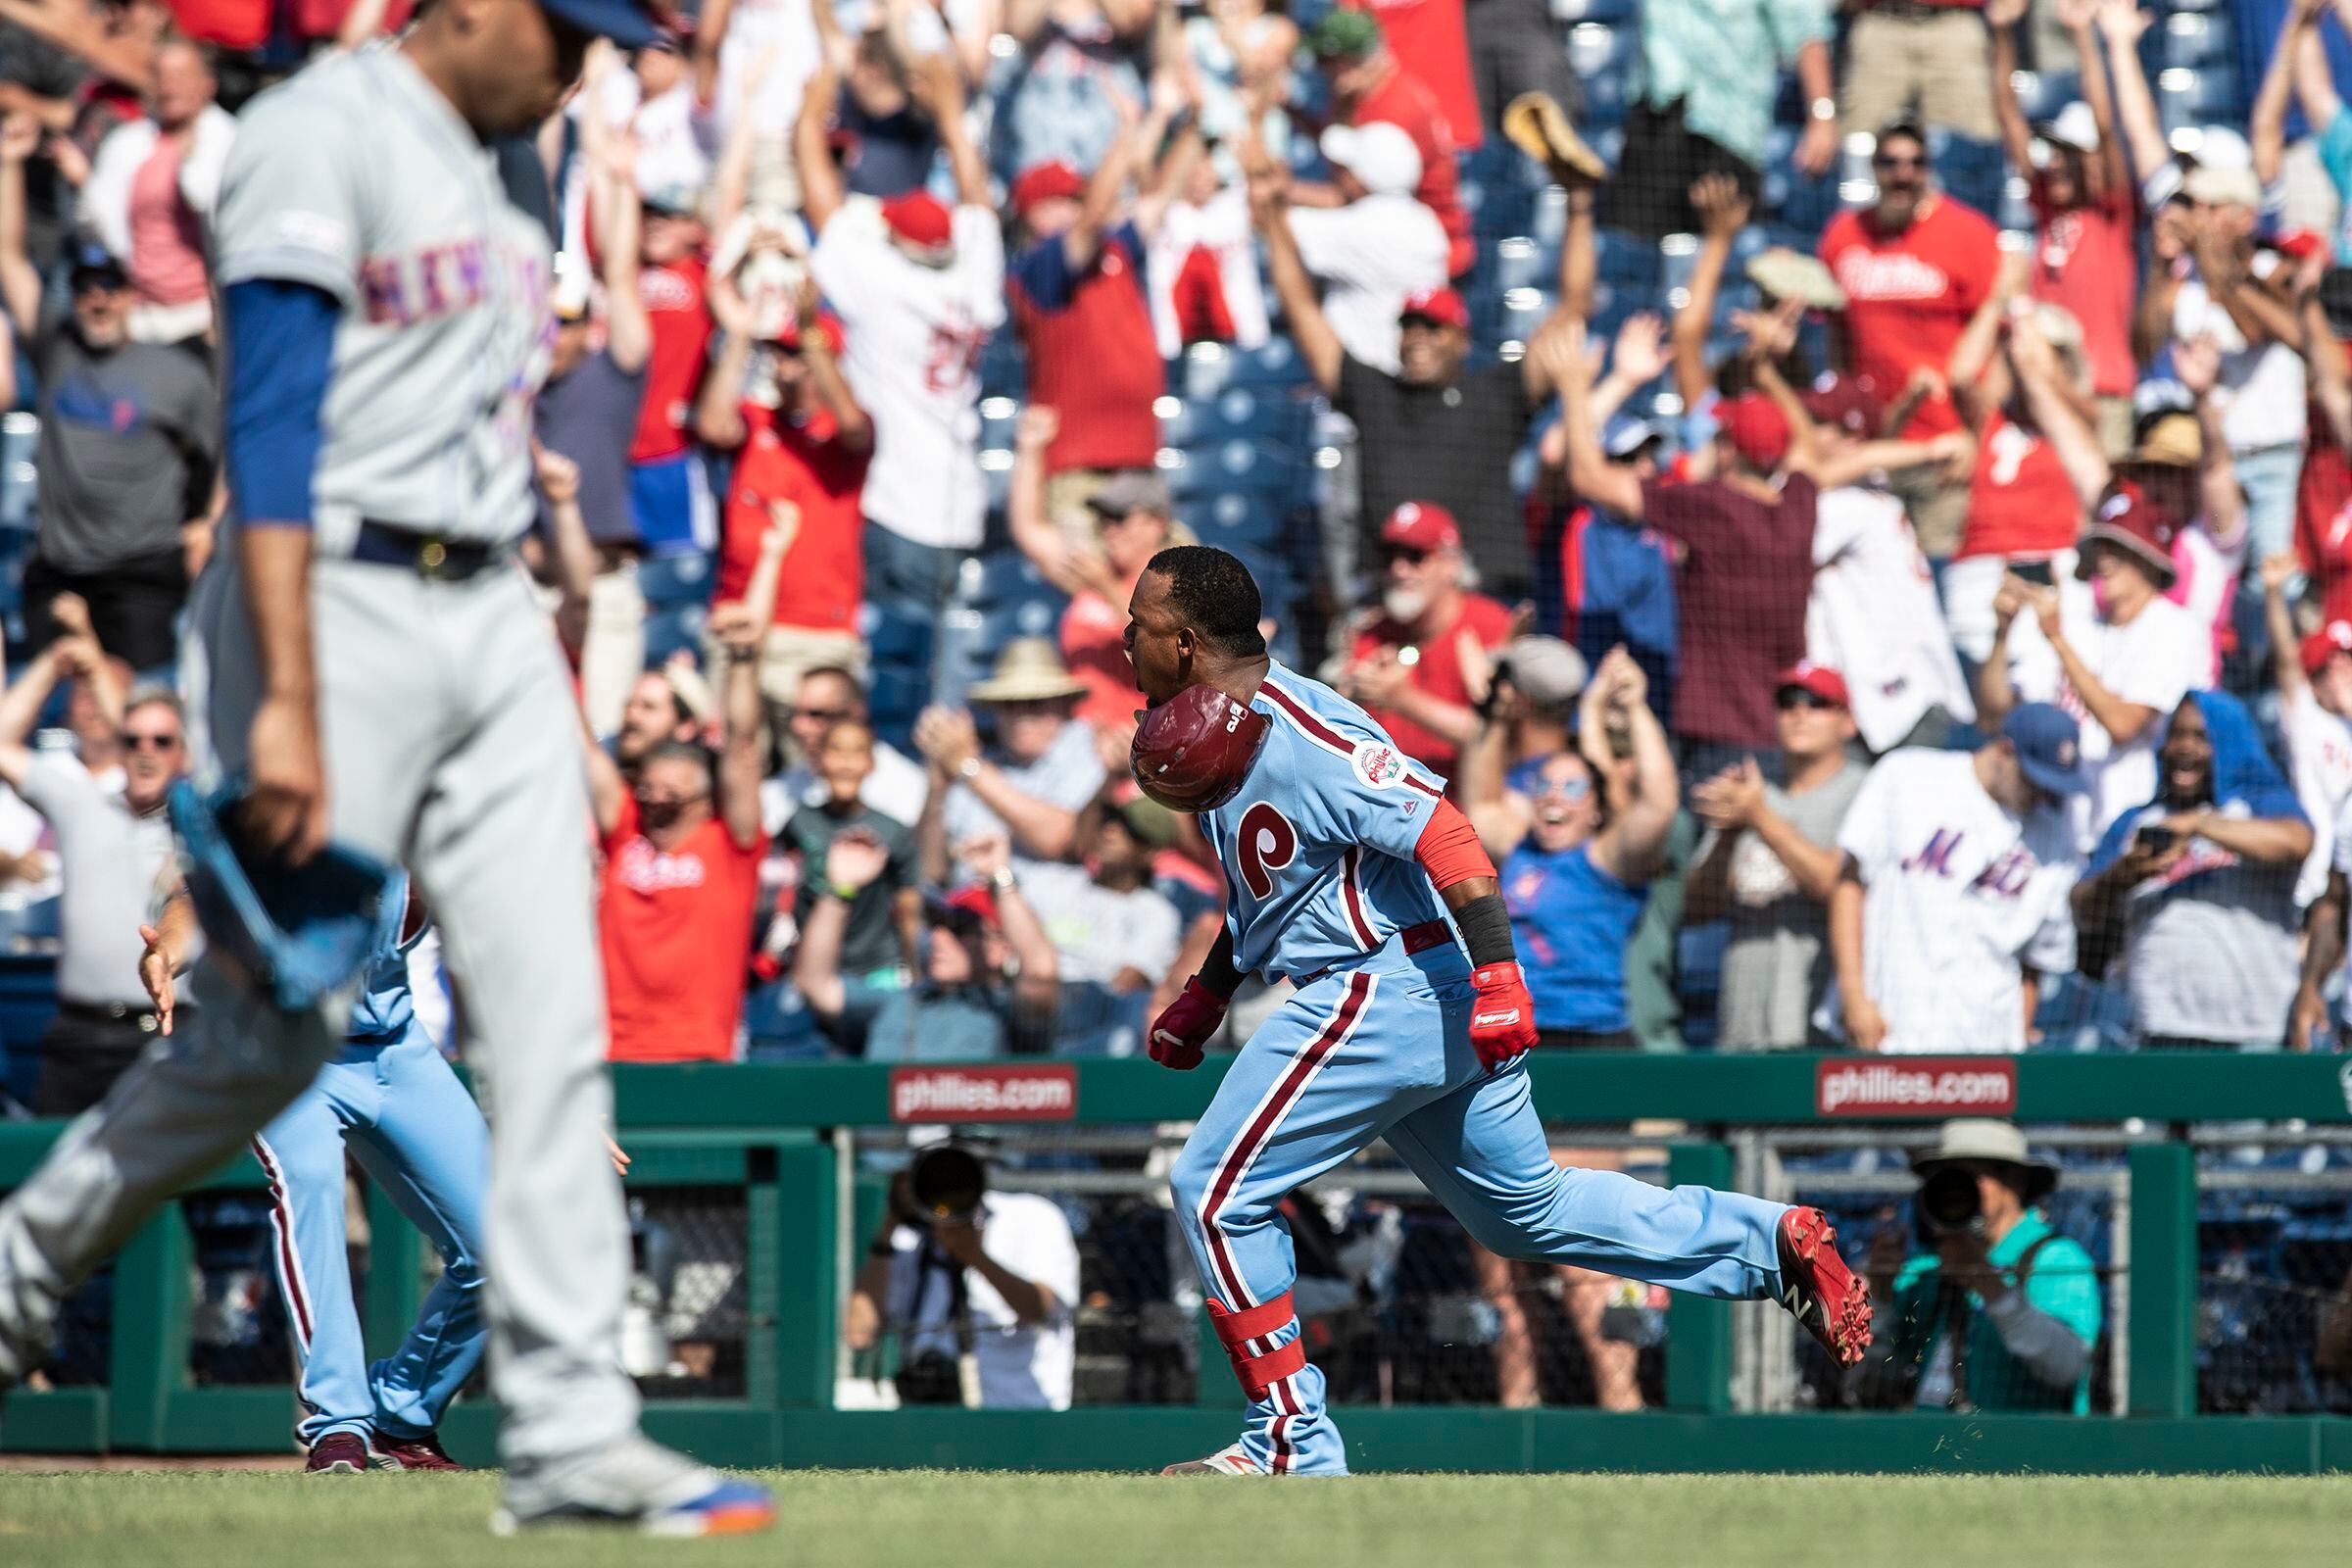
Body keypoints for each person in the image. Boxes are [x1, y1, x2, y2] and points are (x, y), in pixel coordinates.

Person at [0, 1, 776, 1533]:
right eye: (564, 35)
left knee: (551, 1020)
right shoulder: (314, 128)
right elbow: (275, 430)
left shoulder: (517, 160)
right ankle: (23, 1268)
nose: (578, 69)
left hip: (483, 598)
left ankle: (565, 1435)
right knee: (258, 1049)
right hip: (330, 600)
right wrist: (281, 699)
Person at [1127, 544, 1870, 1476]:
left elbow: (1444, 829)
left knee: (1215, 1190)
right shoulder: (1215, 731)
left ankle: (1288, 1443)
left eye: (1140, 627)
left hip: (1382, 980)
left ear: (1186, 641)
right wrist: (1208, 991)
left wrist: (1500, 974)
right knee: (1526, 1215)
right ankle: (1769, 1242)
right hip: (1399, 988)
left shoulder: (1302, 727)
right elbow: (1278, 891)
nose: (1127, 644)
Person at [139, 872, 491, 1475]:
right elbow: (195, 895)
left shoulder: (438, 814)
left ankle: (402, 1418)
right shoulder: (296, 798)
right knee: (312, 1195)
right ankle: (338, 1426)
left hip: (394, 1046)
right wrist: (166, 951)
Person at [797, 54, 1000, 711]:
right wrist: (950, 111)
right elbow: (976, 200)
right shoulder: (975, 275)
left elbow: (822, 202)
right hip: (960, 506)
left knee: (894, 685)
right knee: (944, 674)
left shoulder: (885, 286)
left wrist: (807, 117)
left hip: (898, 509)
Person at [1, 124, 218, 672]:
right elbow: (9, 259)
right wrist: (9, 163)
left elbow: (227, 452)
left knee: (142, 711)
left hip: (142, 576)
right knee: (43, 708)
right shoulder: (58, 349)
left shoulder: (176, 373)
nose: (97, 301)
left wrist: (206, 524)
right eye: (85, 289)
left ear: (130, 295)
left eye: (109, 289)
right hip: (62, 568)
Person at [1829, 705, 2086, 1054]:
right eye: (2033, 780)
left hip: (1983, 1048)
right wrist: (1854, 997)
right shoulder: (1908, 775)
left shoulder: (2054, 839)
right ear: (2003, 751)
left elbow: (2038, 960)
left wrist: (2018, 1033)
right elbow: (1849, 885)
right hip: (1887, 1029)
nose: (2041, 795)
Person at [1458, 648, 1679, 1048]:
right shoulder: (1520, 849)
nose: (1554, 797)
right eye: (1544, 785)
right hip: (1518, 1029)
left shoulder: (1608, 861)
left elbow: (1659, 804)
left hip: (1592, 1036)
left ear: (1596, 809)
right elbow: (1483, 804)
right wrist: (1496, 712)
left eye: (1572, 788)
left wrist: (1635, 706)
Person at [1977, 482, 2213, 851]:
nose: (2104, 559)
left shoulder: (2173, 628)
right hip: (2056, 830)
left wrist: (2057, 641)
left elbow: (2123, 724)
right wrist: (2002, 634)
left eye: (2118, 547)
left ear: (2149, 558)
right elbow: (1993, 715)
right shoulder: (2080, 626)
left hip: (2129, 828)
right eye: (2102, 546)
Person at [2072, 692, 2312, 1052]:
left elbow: (2296, 841)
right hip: (2159, 1027)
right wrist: (2122, 875)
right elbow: (2081, 909)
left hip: (2254, 1031)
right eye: (2176, 734)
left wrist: (2199, 825)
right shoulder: (2137, 822)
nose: (2184, 747)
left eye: (2201, 737)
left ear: (2229, 742)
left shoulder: (2258, 805)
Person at [0, 649, 177, 1114]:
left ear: (184, 751)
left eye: (161, 741)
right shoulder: (82, 804)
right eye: (132, 738)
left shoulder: (202, 827)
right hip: (80, 1042)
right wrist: (51, 664)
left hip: (173, 1039)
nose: (145, 750)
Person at [590, 603, 768, 1064]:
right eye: (649, 786)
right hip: (612, 1054)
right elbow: (581, 744)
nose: (656, 796)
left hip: (701, 1055)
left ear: (704, 795)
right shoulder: (625, 828)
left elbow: (741, 745)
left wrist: (744, 661)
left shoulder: (730, 844)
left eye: (673, 787)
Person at [1816, 118, 2002, 559]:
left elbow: (1998, 350)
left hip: (1942, 450)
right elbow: (1837, 345)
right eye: (1891, 162)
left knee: (1938, 577)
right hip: (1873, 449)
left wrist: (1978, 436)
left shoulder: (1968, 235)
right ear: (1873, 168)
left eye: (1916, 163)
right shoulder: (1843, 237)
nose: (1904, 173)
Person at [694, 262, 874, 712]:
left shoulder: (843, 432)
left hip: (816, 633)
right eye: (780, 352)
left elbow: (853, 424)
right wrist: (738, 335)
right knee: (738, 757)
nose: (785, 365)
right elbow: (714, 425)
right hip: (741, 619)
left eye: (795, 355)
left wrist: (812, 336)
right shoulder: (757, 422)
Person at [533, 116, 652, 738]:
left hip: (603, 592)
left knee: (601, 734)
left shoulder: (614, 373)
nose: (556, 333)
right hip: (531, 589)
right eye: (546, 319)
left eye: (569, 320)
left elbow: (623, 277)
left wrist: (620, 184)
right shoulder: (514, 383)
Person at [1684, 663, 1869, 1052]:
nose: (1799, 712)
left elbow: (1836, 887)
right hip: (1743, 1021)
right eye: (1787, 703)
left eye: (1817, 703)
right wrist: (1728, 839)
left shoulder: (1866, 792)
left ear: (1847, 721)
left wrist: (1760, 818)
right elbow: (1696, 910)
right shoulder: (1751, 793)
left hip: (1823, 1023)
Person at [1863, 1120, 2101, 1413]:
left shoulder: (2056, 1259)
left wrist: (1991, 1287)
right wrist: (1881, 1300)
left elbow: (2066, 1365)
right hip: (1931, 1450)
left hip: (2022, 1452)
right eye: (1945, 1179)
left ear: (2014, 1180)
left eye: (1970, 1177)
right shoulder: (1925, 1271)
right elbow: (1868, 1383)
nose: (1955, 1191)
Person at [1986, 0, 2135, 455]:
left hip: (2104, 395)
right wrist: (2005, 35)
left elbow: (2108, 127)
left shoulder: (2113, 212)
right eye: (2055, 153)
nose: (2057, 163)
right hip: (2044, 394)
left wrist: (2081, 38)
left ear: (2091, 160)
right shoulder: (2047, 209)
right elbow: (2008, 114)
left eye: (2070, 154)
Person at [845, 1144, 1081, 1408]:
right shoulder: (909, 1239)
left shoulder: (1031, 1216)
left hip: (1016, 1417)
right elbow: (858, 1334)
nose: (946, 1191)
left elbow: (1039, 1308)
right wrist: (890, 1224)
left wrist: (973, 1255)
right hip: (928, 1423)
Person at [804, 830, 1060, 1060]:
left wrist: (1000, 876)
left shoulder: (1006, 1009)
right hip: (885, 1114)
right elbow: (816, 985)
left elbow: (1040, 970)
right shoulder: (898, 1001)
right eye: (936, 924)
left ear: (999, 949)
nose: (939, 939)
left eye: (960, 929)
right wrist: (840, 890)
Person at [1006, 416, 1179, 733]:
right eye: (1102, 518)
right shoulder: (1091, 569)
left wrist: (1105, 585)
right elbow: (1029, 530)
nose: (1108, 530)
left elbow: (1167, 644)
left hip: (1140, 741)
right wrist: (1030, 450)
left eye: (1119, 517)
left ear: (1156, 523)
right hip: (1081, 743)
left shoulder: (1175, 581)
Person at [1614, 0, 1836, 240]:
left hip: (1726, 131)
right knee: (1634, 250)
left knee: (1730, 252)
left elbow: (1805, 29)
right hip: (1652, 120)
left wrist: (1821, 116)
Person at [1337, 502, 1511, 777]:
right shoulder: (1373, 631)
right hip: (1386, 796)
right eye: (1389, 556)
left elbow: (1500, 737)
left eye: (1415, 556)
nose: (1399, 569)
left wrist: (1402, 699)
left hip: (1460, 797)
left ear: (1451, 565)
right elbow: (1340, 722)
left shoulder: (1490, 625)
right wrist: (1357, 690)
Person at [78, 31, 232, 344]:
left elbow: (213, 208)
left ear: (207, 84)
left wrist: (191, 163)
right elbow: (97, 221)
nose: (169, 85)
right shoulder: (127, 144)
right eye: (160, 76)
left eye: (180, 75)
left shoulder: (229, 141)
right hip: (141, 314)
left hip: (205, 317)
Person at [774, 718, 919, 1052]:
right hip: (810, 968)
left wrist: (915, 974)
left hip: (876, 971)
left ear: (871, 764)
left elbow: (909, 905)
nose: (845, 762)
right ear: (818, 760)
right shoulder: (798, 821)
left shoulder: (893, 831)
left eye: (857, 752)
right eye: (836, 750)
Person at [915, 638, 1105, 881]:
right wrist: (937, 789)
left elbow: (1055, 837)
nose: (1021, 716)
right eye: (1009, 704)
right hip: (969, 911)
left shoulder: (1085, 746)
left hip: (1048, 913)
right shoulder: (982, 759)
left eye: (1035, 703)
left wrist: (968, 765)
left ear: (1063, 705)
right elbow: (931, 871)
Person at [1300, 8, 1471, 277]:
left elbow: (1352, 194)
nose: (1325, 70)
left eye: (1331, 60)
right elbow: (1335, 146)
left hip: (1426, 255)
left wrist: (1277, 194)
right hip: (1392, 241)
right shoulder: (1358, 94)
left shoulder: (1394, 111)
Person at [1283, 121, 1446, 376]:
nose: (1340, 174)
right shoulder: (1425, 222)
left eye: (1348, 169)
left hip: (1364, 386)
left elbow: (1274, 225)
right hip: (1400, 380)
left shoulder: (1365, 228)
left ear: (1364, 179)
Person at [2262, 554, 2352, 914]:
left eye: (2348, 661)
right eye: (2334, 665)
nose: (2343, 671)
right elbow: (2286, 657)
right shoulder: (2307, 716)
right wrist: (2272, 593)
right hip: (2313, 872)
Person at [762, 663, 928, 832]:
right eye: (795, 714)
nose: (799, 727)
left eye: (817, 714)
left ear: (855, 714)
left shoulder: (908, 788)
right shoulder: (780, 790)